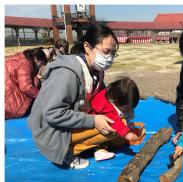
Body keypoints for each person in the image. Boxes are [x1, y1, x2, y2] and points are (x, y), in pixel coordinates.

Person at [28, 24, 121, 169]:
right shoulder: (67, 73)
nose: (109, 58)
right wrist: (93, 120)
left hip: (72, 120)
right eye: (106, 52)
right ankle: (66, 151)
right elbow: (52, 113)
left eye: (113, 54)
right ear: (87, 47)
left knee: (119, 123)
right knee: (113, 128)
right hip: (52, 130)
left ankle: (91, 145)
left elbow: (102, 97)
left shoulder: (96, 71)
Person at [90, 77, 143, 161]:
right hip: (94, 124)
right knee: (105, 132)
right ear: (117, 100)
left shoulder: (111, 94)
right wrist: (127, 134)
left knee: (121, 124)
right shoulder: (107, 106)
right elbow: (114, 121)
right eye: (127, 108)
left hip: (102, 117)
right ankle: (99, 150)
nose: (128, 110)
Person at [5, 48, 48, 119]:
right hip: (9, 103)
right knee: (38, 107)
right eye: (41, 64)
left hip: (7, 91)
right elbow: (26, 87)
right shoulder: (24, 64)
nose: (40, 66)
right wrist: (41, 95)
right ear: (36, 59)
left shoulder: (18, 58)